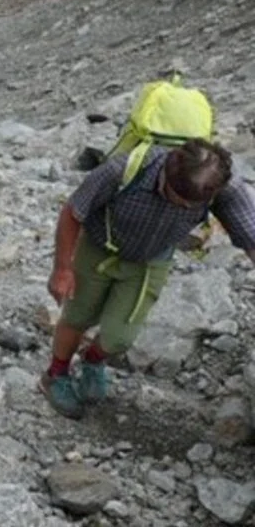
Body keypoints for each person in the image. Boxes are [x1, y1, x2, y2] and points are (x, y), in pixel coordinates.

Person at [42, 139, 255, 419]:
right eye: (177, 200)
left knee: (120, 337)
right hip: (98, 247)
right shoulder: (124, 170)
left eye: (192, 205)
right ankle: (56, 374)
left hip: (150, 259)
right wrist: (62, 269)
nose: (183, 208)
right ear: (166, 173)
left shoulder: (223, 187)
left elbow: (251, 237)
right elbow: (73, 212)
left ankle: (93, 359)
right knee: (78, 315)